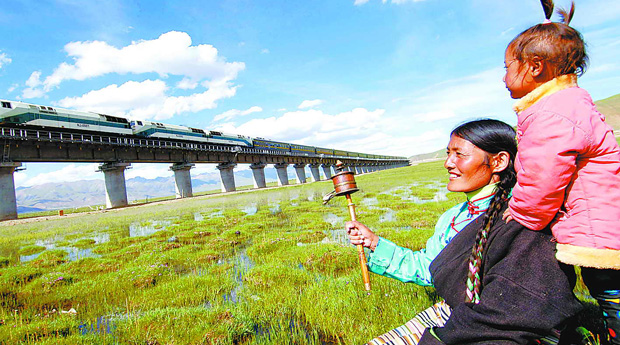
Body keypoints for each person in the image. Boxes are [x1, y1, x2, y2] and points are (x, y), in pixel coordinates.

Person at [347, 119, 583, 344]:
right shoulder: (453, 217)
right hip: (458, 313)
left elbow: (524, 301)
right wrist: (375, 243)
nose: (448, 163)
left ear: (499, 162)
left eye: (459, 154)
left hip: (509, 327)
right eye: (449, 153)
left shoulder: (524, 214)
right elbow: (431, 268)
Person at [501, 1, 620, 343]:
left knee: (611, 292)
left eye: (508, 67)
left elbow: (543, 177)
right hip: (603, 225)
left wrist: (522, 213)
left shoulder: (551, 113)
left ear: (536, 67)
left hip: (600, 233)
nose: (503, 76)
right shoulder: (567, 101)